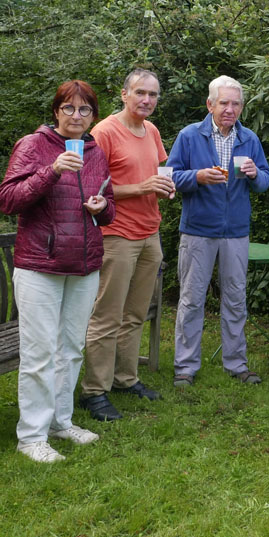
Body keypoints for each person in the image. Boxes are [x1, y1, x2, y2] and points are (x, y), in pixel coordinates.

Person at [0, 80, 114, 463]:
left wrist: (101, 207)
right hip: (40, 266)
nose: (77, 116)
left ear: (93, 116)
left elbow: (109, 205)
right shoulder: (33, 146)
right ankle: (31, 436)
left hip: (83, 264)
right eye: (69, 108)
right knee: (40, 353)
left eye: (84, 110)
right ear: (56, 111)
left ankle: (60, 422)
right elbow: (8, 200)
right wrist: (51, 171)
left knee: (70, 349)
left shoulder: (96, 152)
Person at [77, 69, 174, 422]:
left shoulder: (151, 131)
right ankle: (94, 391)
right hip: (116, 234)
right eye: (140, 93)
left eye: (152, 95)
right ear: (124, 94)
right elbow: (91, 188)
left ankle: (125, 378)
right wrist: (142, 188)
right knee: (107, 316)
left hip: (150, 232)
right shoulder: (104, 132)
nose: (146, 100)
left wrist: (165, 185)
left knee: (135, 314)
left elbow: (156, 174)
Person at [167, 75, 269, 386]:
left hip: (236, 232)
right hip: (198, 230)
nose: (229, 109)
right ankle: (185, 366)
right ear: (210, 104)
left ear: (241, 107)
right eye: (223, 102)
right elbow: (169, 177)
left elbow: (265, 181)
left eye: (235, 103)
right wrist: (197, 177)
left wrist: (254, 175)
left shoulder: (249, 139)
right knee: (191, 299)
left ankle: (237, 364)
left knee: (236, 299)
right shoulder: (190, 136)